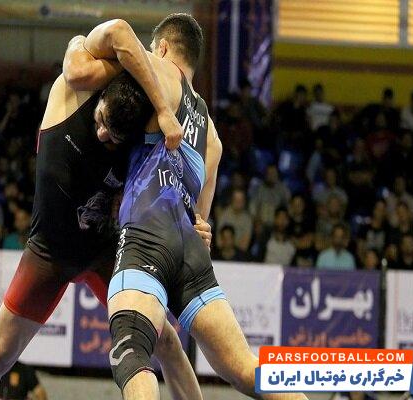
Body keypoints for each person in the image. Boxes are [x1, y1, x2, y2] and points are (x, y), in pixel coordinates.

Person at [0, 20, 207, 400]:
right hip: (48, 252)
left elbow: (182, 170)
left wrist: (196, 220)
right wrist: (162, 106)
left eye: (114, 137)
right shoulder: (73, 89)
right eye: (102, 121)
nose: (102, 134)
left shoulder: (136, 131)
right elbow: (118, 32)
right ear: (101, 98)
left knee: (167, 342)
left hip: (104, 250)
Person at [76, 15, 306, 399]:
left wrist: (79, 50)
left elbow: (116, 33)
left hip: (148, 236)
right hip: (191, 255)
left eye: (153, 50)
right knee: (246, 369)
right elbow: (201, 221)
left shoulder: (162, 72)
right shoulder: (213, 137)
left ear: (163, 48)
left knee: (131, 350)